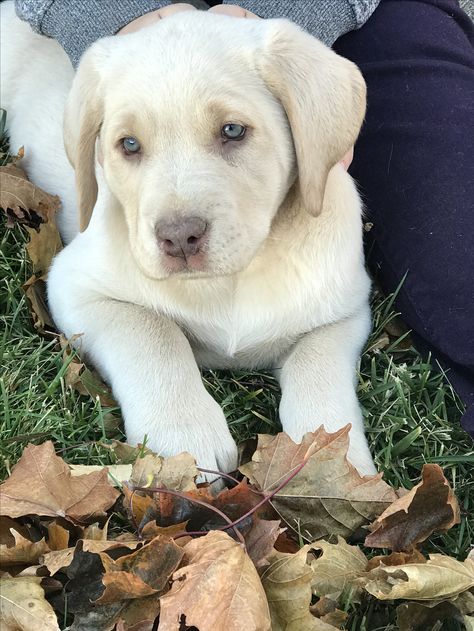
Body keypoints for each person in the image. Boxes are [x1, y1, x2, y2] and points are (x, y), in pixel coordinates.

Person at [13, 0, 474, 439]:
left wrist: (322, 410)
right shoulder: (104, 75)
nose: (177, 226)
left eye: (231, 132)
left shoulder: (278, 70)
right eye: (129, 146)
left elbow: (338, 314)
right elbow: (78, 287)